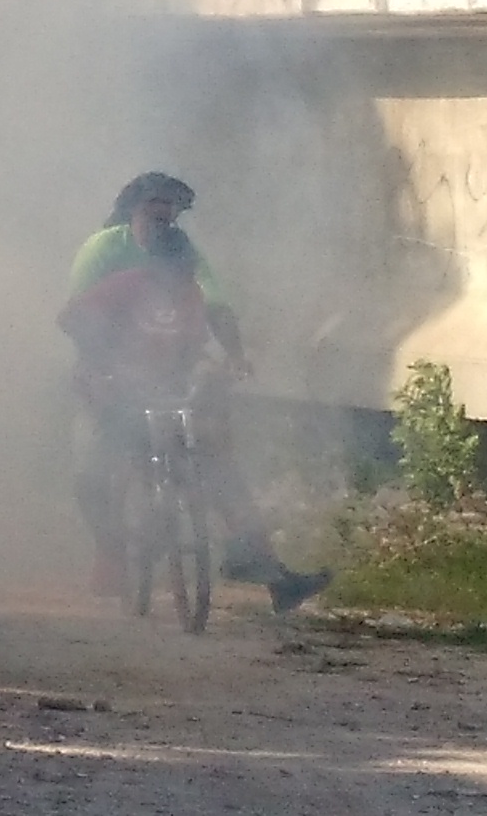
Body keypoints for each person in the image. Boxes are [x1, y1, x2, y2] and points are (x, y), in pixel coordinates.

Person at [58, 170, 328, 613]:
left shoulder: (185, 265)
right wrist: (104, 368)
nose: (166, 222)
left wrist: (233, 358)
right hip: (110, 381)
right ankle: (110, 549)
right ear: (133, 212)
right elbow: (79, 319)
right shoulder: (106, 254)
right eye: (155, 211)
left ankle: (262, 565)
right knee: (91, 472)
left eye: (173, 214)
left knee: (217, 462)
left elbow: (216, 308)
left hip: (169, 382)